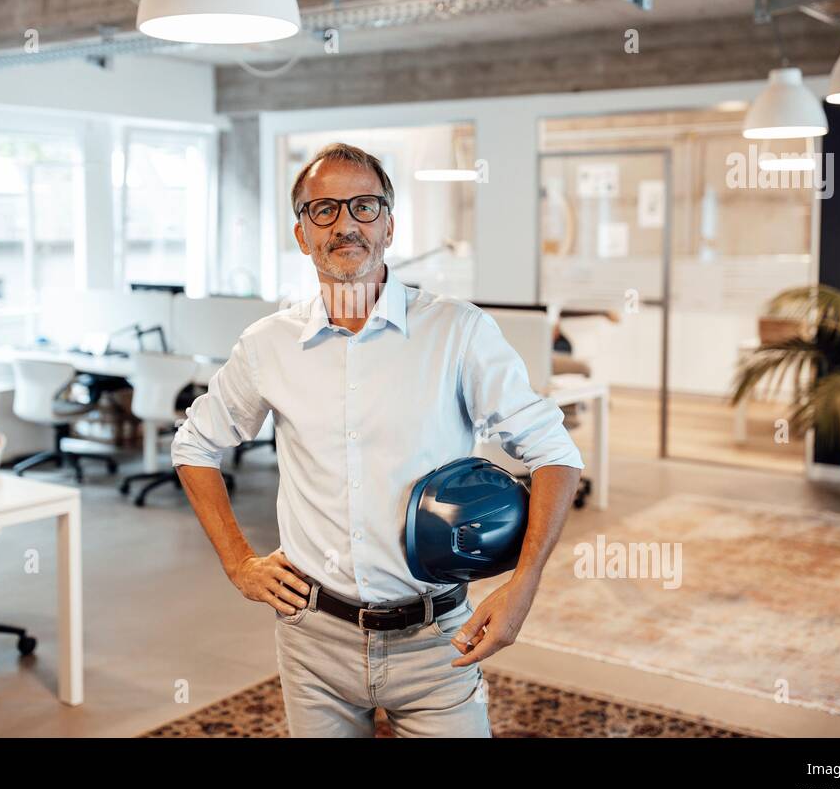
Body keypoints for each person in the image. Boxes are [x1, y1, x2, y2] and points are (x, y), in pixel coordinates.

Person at [172, 142, 583, 737]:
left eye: (364, 207)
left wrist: (524, 585)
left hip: (438, 643)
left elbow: (554, 452)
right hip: (312, 642)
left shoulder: (457, 332)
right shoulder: (268, 345)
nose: (345, 224)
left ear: (389, 225)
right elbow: (195, 444)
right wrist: (239, 562)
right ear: (301, 234)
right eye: (324, 210)